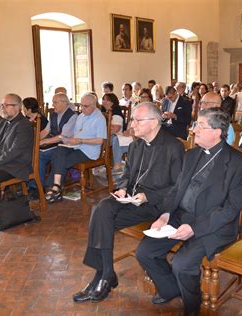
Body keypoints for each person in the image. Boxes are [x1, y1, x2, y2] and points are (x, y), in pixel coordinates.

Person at [136, 108, 242, 315]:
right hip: (181, 216)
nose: (193, 129)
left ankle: (192, 307)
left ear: (217, 132)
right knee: (145, 252)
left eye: (200, 125)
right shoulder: (191, 155)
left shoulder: (238, 163)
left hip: (212, 225)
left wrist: (194, 228)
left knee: (182, 265)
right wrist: (165, 214)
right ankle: (171, 289)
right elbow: (175, 190)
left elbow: (230, 210)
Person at [73, 102, 184, 304]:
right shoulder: (136, 145)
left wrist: (148, 197)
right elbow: (126, 174)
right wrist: (123, 187)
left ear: (154, 122)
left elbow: (178, 187)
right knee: (101, 209)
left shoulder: (173, 147)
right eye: (133, 119)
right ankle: (105, 273)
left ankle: (104, 276)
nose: (132, 124)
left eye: (137, 120)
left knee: (101, 220)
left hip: (155, 206)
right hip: (131, 200)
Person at [45, 93, 106, 203]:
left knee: (60, 160)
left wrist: (81, 141)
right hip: (77, 146)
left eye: (85, 106)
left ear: (94, 105)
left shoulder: (99, 118)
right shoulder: (81, 116)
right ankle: (56, 187)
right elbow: (77, 134)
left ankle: (53, 188)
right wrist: (69, 140)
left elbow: (100, 141)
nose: (82, 109)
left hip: (89, 150)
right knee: (59, 150)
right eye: (81, 105)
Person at [34, 93, 77, 194]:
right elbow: (46, 131)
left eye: (55, 102)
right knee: (34, 151)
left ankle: (38, 188)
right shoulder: (54, 114)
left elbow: (62, 136)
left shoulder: (72, 116)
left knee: (39, 155)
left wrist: (44, 141)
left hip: (65, 146)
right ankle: (37, 186)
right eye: (53, 102)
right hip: (54, 143)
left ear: (64, 103)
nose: (53, 105)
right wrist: (35, 140)